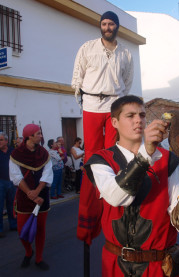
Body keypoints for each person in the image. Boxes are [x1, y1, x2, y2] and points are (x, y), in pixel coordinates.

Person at [83, 95, 179, 276]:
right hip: (117, 265)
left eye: (141, 115)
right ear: (114, 122)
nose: (138, 120)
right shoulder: (101, 160)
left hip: (160, 265)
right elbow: (117, 197)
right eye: (130, 116)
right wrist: (145, 153)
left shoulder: (167, 159)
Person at [72, 10, 134, 243]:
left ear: (117, 27)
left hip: (113, 106)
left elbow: (127, 81)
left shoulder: (126, 53)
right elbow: (77, 75)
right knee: (91, 157)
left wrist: (120, 102)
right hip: (90, 104)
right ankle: (89, 214)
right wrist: (79, 95)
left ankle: (112, 207)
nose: (107, 27)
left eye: (111, 24)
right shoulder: (87, 48)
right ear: (101, 26)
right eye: (104, 23)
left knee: (113, 157)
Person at [9, 124, 53, 270]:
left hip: (42, 196)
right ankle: (29, 252)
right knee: (22, 231)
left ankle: (39, 258)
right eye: (38, 133)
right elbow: (16, 176)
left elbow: (47, 174)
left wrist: (37, 192)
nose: (41, 136)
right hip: (24, 197)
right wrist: (30, 194)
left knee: (40, 229)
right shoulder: (16, 154)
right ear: (30, 136)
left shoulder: (44, 153)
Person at [0, 132, 17, 238]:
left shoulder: (13, 151)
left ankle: (13, 224)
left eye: (1, 140)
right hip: (0, 182)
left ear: (6, 141)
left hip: (12, 181)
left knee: (12, 205)